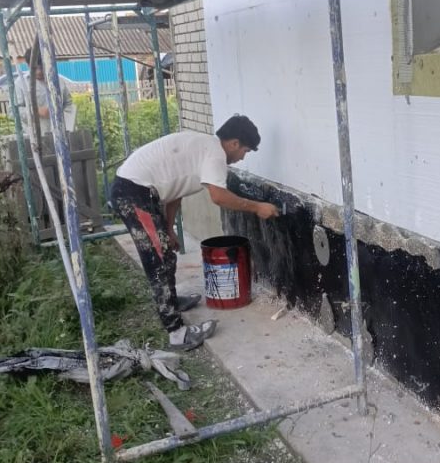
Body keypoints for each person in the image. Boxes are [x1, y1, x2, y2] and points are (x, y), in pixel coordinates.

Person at [110, 115, 280, 349]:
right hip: (133, 192)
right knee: (159, 260)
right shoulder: (215, 154)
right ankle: (177, 334)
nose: (242, 158)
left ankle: (171, 301)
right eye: (245, 151)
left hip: (140, 189)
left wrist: (168, 229)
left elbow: (174, 193)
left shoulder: (202, 148)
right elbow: (219, 197)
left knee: (165, 252)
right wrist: (257, 207)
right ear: (234, 143)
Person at [15, 47, 74, 138]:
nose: (39, 72)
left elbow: (68, 104)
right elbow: (14, 111)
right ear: (27, 65)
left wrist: (62, 116)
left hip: (60, 135)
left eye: (42, 67)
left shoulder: (58, 81)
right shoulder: (21, 83)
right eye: (35, 68)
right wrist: (36, 111)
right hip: (33, 137)